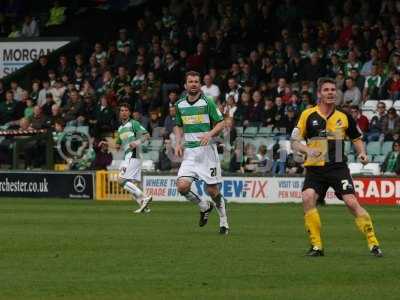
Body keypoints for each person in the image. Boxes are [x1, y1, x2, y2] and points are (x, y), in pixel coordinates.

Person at [291, 77, 382, 257]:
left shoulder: (344, 116)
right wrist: (307, 149)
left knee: (351, 202)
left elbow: (356, 138)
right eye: (326, 90)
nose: (330, 92)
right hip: (315, 168)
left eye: (333, 90)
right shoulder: (307, 114)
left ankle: (374, 244)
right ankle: (316, 246)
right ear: (319, 94)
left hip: (337, 167)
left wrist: (362, 153)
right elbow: (294, 141)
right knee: (307, 197)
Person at [174, 71, 230, 234]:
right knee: (182, 187)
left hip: (207, 152)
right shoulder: (179, 105)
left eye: (196, 81)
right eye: (190, 81)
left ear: (200, 85)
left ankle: (223, 220)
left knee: (212, 191)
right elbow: (177, 125)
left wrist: (209, 134)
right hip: (190, 153)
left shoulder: (208, 102)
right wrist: (178, 142)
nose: (193, 84)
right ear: (185, 85)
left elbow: (221, 123)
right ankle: (204, 206)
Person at [111, 103, 152, 213]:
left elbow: (147, 135)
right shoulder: (120, 129)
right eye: (122, 110)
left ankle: (144, 197)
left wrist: (137, 141)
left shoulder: (134, 124)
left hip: (134, 154)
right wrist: (108, 144)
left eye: (126, 110)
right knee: (131, 184)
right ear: (119, 113)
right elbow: (118, 146)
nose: (124, 112)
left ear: (129, 113)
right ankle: (145, 208)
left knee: (121, 180)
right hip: (127, 156)